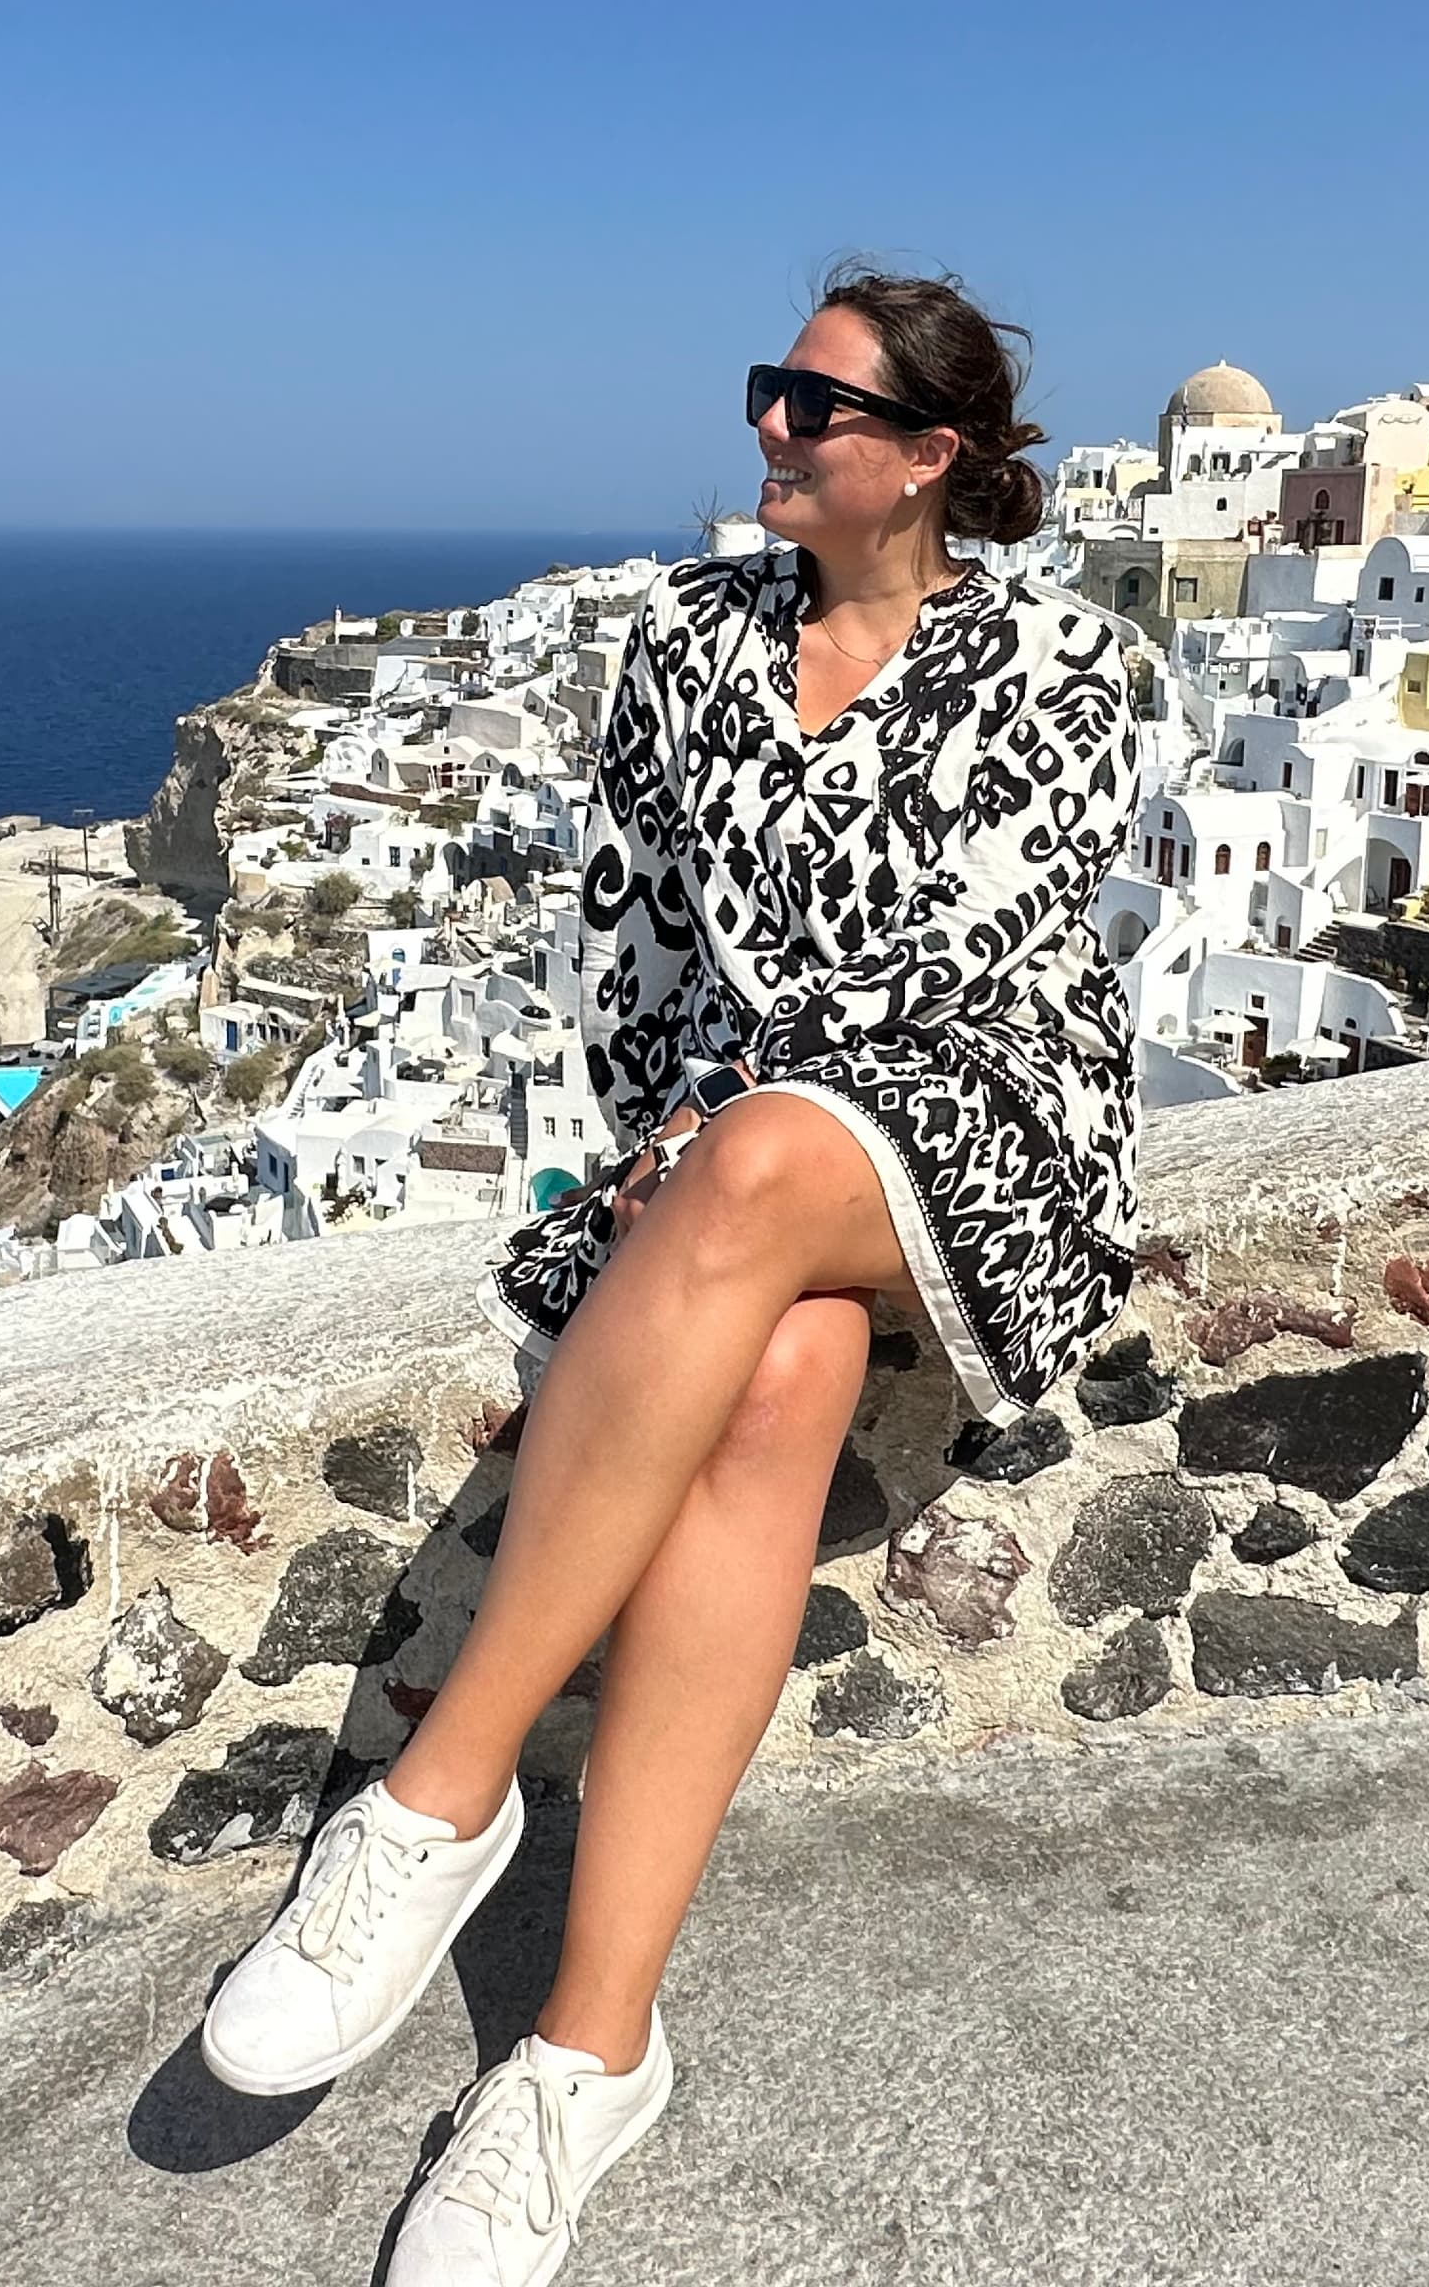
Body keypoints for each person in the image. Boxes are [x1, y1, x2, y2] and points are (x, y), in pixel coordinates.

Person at [199, 265, 1141, 2284]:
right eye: (767, 394)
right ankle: (586, 2058)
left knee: (784, 1152)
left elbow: (943, 986)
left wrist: (714, 1155)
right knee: (786, 1375)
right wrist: (659, 1155)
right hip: (740, 1154)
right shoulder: (687, 649)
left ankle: (440, 1796)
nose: (771, 433)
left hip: (982, 1120)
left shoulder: (1073, 668)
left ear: (932, 455)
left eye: (814, 406)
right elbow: (629, 954)